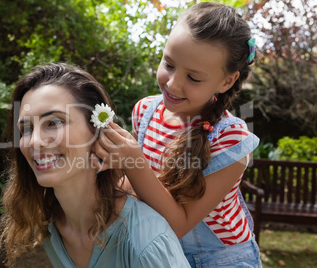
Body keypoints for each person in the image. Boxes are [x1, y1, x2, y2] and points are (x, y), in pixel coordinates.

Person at [93, 2, 262, 267]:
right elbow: (140, 185)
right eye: (169, 64)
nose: (172, 83)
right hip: (158, 250)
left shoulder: (231, 140)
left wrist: (131, 159)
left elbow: (179, 224)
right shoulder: (145, 112)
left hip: (220, 260)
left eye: (193, 78)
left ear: (227, 81)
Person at [0, 63, 190, 268]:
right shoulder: (51, 228)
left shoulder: (147, 244)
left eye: (53, 123)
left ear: (97, 131)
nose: (34, 141)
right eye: (26, 128)